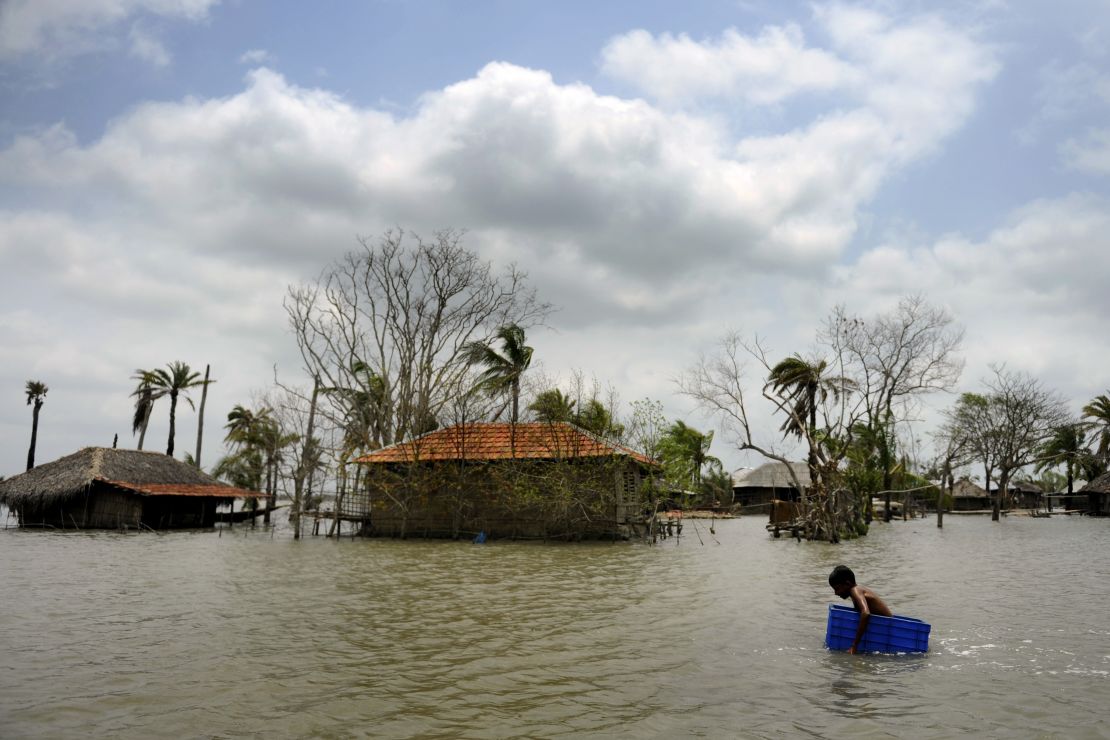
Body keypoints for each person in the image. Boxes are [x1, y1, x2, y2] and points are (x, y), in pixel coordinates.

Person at [828, 565, 893, 654]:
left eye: (837, 588)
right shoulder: (857, 591)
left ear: (847, 584)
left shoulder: (855, 590)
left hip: (890, 628)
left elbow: (866, 613)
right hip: (886, 628)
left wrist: (854, 646)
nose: (836, 593)